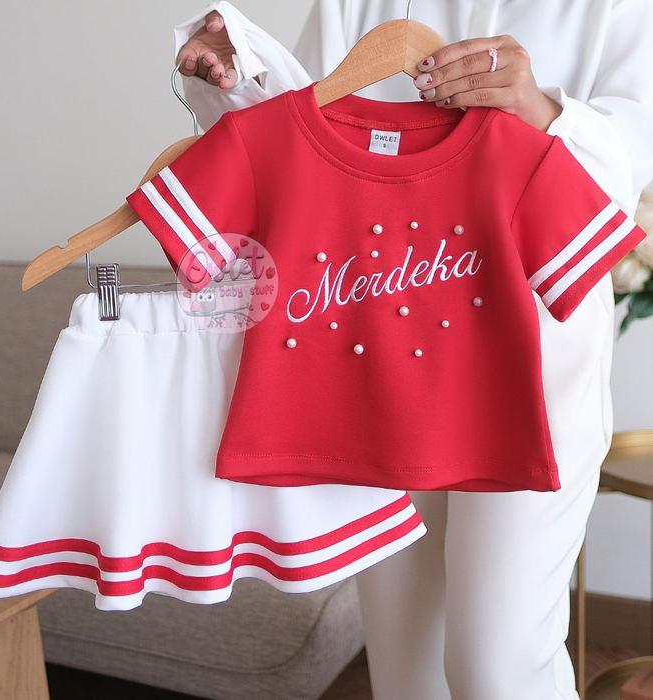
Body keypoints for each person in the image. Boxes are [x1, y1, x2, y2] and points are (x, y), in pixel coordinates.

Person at [172, 2, 653, 698]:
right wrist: (235, 72)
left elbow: (630, 168)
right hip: (373, 339)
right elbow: (299, 124)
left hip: (535, 339)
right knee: (404, 664)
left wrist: (544, 112)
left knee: (499, 664)